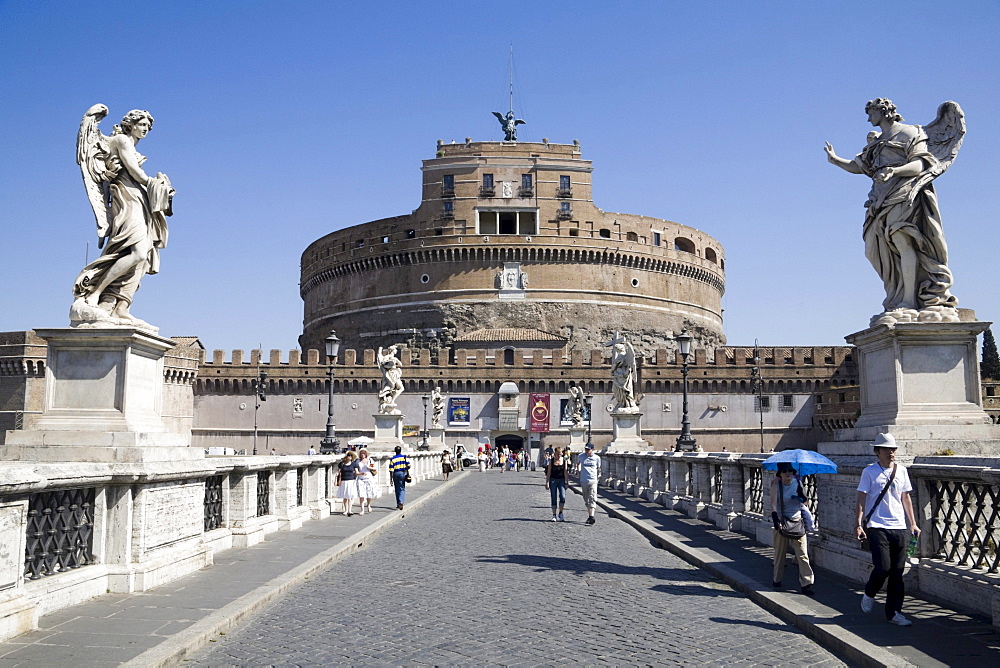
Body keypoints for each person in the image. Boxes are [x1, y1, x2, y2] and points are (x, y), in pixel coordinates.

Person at [824, 98, 963, 315]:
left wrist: (894, 171)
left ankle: (908, 300)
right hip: (879, 199)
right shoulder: (877, 141)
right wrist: (835, 160)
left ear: (883, 111)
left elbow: (921, 164)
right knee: (873, 249)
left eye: (871, 113)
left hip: (904, 193)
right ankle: (896, 294)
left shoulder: (910, 133)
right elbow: (859, 166)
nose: (869, 118)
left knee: (902, 240)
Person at [73, 106, 174, 326]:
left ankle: (120, 307)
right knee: (136, 251)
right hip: (126, 199)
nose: (145, 129)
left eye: (148, 126)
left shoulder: (132, 145)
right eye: (142, 124)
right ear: (131, 123)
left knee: (144, 254)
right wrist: (156, 184)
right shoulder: (121, 140)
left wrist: (162, 190)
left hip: (140, 199)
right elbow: (134, 171)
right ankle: (95, 293)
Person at [856, 433, 920, 626]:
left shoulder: (901, 471)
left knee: (897, 572)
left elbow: (906, 498)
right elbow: (861, 499)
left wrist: (913, 523)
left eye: (893, 449)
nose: (892, 452)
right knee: (883, 567)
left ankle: (893, 613)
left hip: (899, 526)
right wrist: (858, 524)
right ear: (878, 452)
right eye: (887, 449)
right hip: (876, 525)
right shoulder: (869, 472)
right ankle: (870, 592)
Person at [770, 463, 815, 595]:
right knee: (779, 553)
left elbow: (805, 501)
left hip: (797, 522)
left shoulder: (797, 483)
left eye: (790, 471)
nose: (788, 473)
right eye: (784, 471)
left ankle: (806, 583)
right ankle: (776, 579)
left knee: (803, 555)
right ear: (780, 473)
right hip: (782, 523)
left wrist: (801, 496)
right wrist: (776, 520)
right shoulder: (776, 485)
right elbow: (773, 504)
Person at [577, 443, 602, 525]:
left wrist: (596, 476)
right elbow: (578, 464)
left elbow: (598, 468)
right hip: (584, 480)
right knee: (586, 498)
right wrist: (579, 472)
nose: (587, 451)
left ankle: (592, 516)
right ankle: (590, 515)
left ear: (592, 450)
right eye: (586, 449)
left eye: (588, 449)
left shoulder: (597, 458)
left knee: (592, 497)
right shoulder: (581, 456)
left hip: (593, 480)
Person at [545, 447, 568, 522]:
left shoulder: (564, 461)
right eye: (558, 454)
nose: (559, 456)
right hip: (553, 480)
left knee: (563, 496)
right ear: (555, 454)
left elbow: (565, 471)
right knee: (553, 497)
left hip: (561, 480)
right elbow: (548, 472)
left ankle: (561, 513)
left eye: (560, 454)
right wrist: (547, 482)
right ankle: (554, 515)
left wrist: (566, 482)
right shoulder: (551, 461)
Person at [335, 451, 361, 516]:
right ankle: (345, 510)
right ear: (346, 456)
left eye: (351, 456)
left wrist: (361, 474)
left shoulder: (354, 464)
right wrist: (335, 480)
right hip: (344, 481)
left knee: (350, 496)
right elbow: (338, 473)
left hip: (351, 481)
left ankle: (350, 510)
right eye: (348, 455)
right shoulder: (342, 464)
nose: (350, 457)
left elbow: (356, 472)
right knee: (345, 497)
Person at [355, 448, 380, 514]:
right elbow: (356, 470)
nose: (362, 454)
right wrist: (359, 473)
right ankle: (362, 510)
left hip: (368, 478)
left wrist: (370, 468)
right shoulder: (357, 461)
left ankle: (368, 505)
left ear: (366, 454)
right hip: (361, 479)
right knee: (361, 494)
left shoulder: (370, 460)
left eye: (364, 453)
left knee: (369, 494)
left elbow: (374, 468)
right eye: (361, 453)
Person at [389, 445, 411, 510]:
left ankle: (398, 503)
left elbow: (391, 470)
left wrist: (391, 479)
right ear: (400, 451)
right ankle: (401, 502)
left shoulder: (393, 459)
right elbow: (409, 466)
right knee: (402, 488)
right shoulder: (404, 457)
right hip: (402, 473)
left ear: (395, 451)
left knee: (397, 488)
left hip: (395, 473)